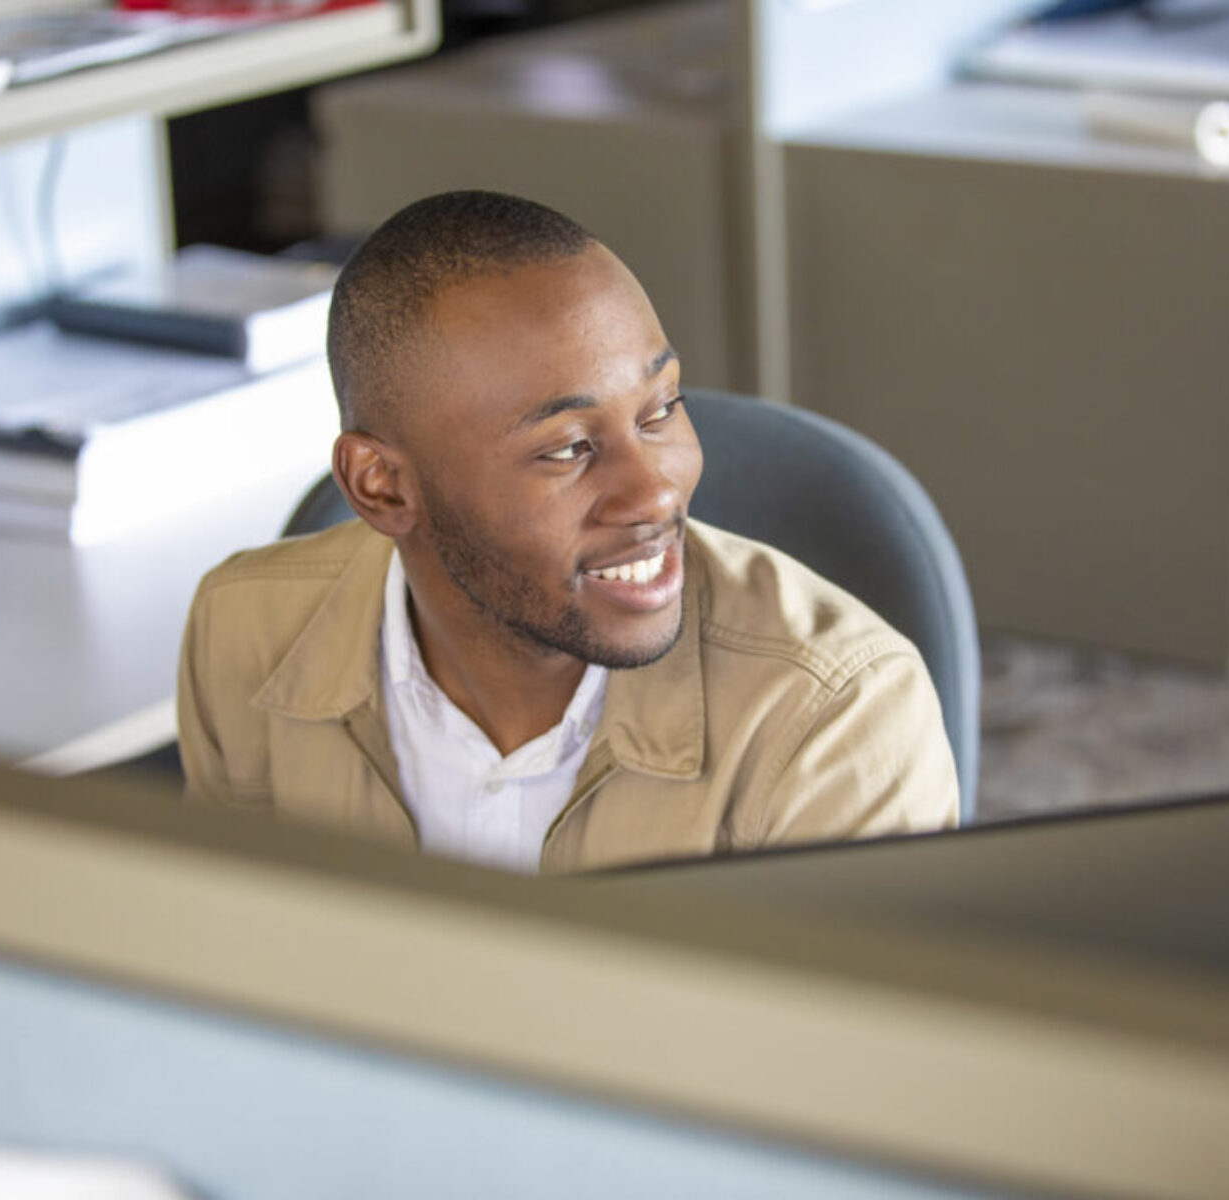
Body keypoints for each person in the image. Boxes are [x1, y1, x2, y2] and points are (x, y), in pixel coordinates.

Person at [177, 190, 958, 873]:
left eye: (660, 409)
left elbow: (836, 1044)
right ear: (382, 487)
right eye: (567, 449)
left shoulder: (835, 713)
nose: (656, 490)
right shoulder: (243, 630)